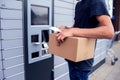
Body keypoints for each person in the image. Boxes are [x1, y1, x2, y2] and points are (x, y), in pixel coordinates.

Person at [56, 0, 114, 80]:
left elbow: (109, 32)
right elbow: (76, 27)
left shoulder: (96, 2)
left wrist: (73, 31)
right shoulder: (78, 4)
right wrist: (66, 29)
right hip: (72, 56)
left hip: (83, 60)